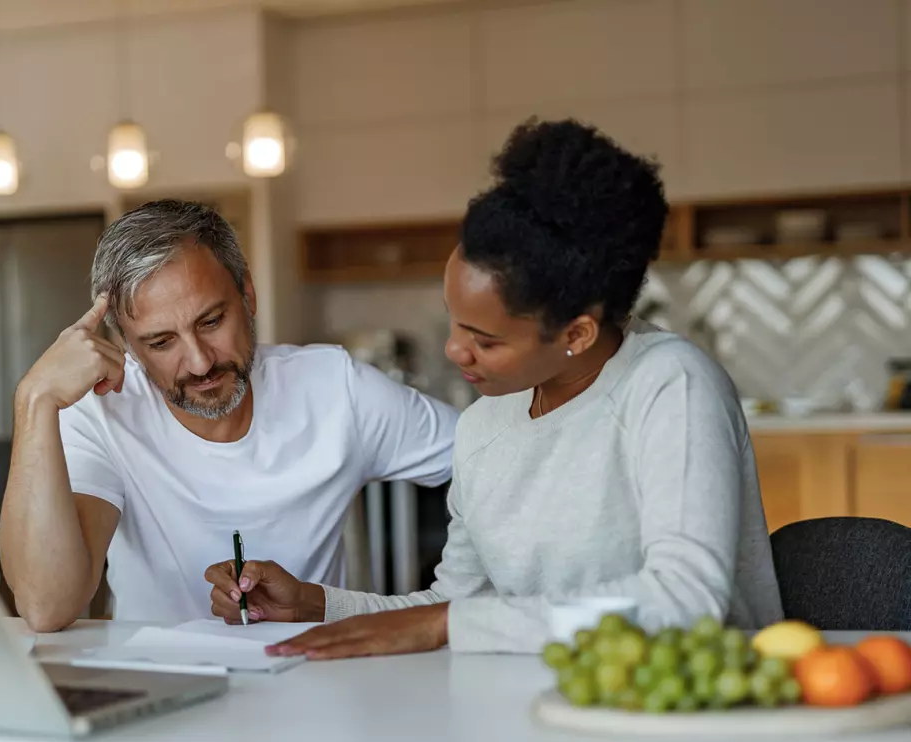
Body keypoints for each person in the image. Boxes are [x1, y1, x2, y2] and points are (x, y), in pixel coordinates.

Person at [205, 119, 784, 658]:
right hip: (544, 708)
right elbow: (457, 606)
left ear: (576, 332)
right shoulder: (486, 425)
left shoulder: (669, 385)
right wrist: (315, 604)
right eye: (454, 322)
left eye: (485, 338)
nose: (457, 351)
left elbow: (685, 600)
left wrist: (448, 624)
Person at [0, 199, 458, 631]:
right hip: (162, 693)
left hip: (314, 686)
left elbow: (493, 454)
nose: (199, 362)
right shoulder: (103, 412)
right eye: (162, 343)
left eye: (212, 322)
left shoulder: (336, 389)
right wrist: (34, 398)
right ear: (126, 346)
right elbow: (46, 606)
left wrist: (475, 581)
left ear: (248, 295)